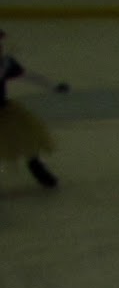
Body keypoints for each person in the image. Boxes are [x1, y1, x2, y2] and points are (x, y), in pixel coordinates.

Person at [0, 29, 69, 191]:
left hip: (4, 109)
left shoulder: (6, 62)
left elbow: (28, 76)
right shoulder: (5, 64)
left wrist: (53, 86)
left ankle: (36, 165)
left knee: (28, 136)